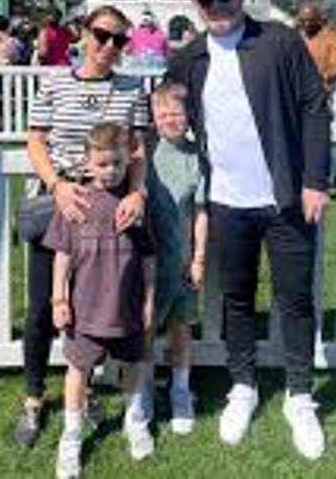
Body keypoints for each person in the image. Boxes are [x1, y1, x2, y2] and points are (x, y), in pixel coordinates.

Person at [168, 0, 331, 461]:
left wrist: (314, 180)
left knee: (295, 299)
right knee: (236, 299)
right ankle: (244, 385)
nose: (218, 5)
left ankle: (300, 396)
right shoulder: (189, 58)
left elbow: (313, 106)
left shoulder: (279, 42)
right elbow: (167, 116)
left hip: (284, 198)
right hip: (225, 203)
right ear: (196, 4)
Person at [16, 5, 150, 448]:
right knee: (43, 307)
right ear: (82, 33)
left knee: (100, 302)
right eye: (102, 35)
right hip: (64, 202)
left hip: (111, 208)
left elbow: (137, 150)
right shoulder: (54, 81)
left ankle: (86, 389)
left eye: (119, 40)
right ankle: (34, 398)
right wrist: (56, 185)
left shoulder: (131, 88)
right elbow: (35, 139)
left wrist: (136, 192)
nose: (109, 46)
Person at [44, 122, 155, 478]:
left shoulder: (135, 206)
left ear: (128, 163)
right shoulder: (75, 203)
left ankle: (134, 419)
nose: (110, 172)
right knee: (78, 371)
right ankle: (72, 436)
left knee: (131, 367)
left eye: (117, 165)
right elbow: (61, 255)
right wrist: (59, 298)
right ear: (88, 163)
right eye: (103, 164)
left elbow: (150, 258)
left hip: (126, 308)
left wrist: (149, 301)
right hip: (85, 310)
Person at [142, 81, 208, 435]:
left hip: (182, 261)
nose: (170, 119)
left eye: (177, 113)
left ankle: (181, 389)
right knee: (148, 327)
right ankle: (145, 389)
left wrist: (198, 258)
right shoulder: (145, 156)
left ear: (188, 116)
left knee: (181, 328)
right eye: (162, 113)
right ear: (153, 116)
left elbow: (200, 212)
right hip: (151, 263)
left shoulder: (198, 157)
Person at [296, 1, 336, 91]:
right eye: (303, 20)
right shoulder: (294, 37)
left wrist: (323, 76)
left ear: (318, 20)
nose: (307, 24)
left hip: (319, 89)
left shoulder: (330, 38)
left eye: (311, 20)